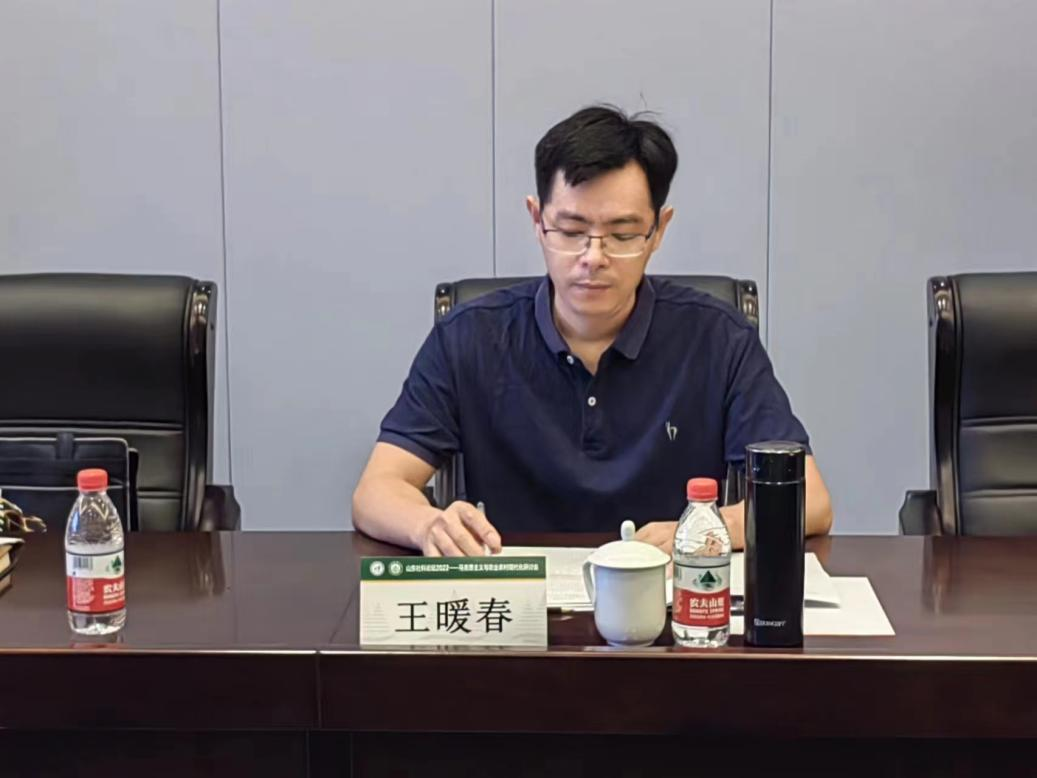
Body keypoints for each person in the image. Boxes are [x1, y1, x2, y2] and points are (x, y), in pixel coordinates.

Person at [353, 105, 832, 557]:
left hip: (668, 599)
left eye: (622, 234)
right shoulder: (468, 338)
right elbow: (376, 489)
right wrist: (428, 525)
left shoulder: (719, 340)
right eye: (571, 231)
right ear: (537, 221)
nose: (594, 257)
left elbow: (810, 501)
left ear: (659, 230)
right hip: (516, 600)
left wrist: (704, 529)